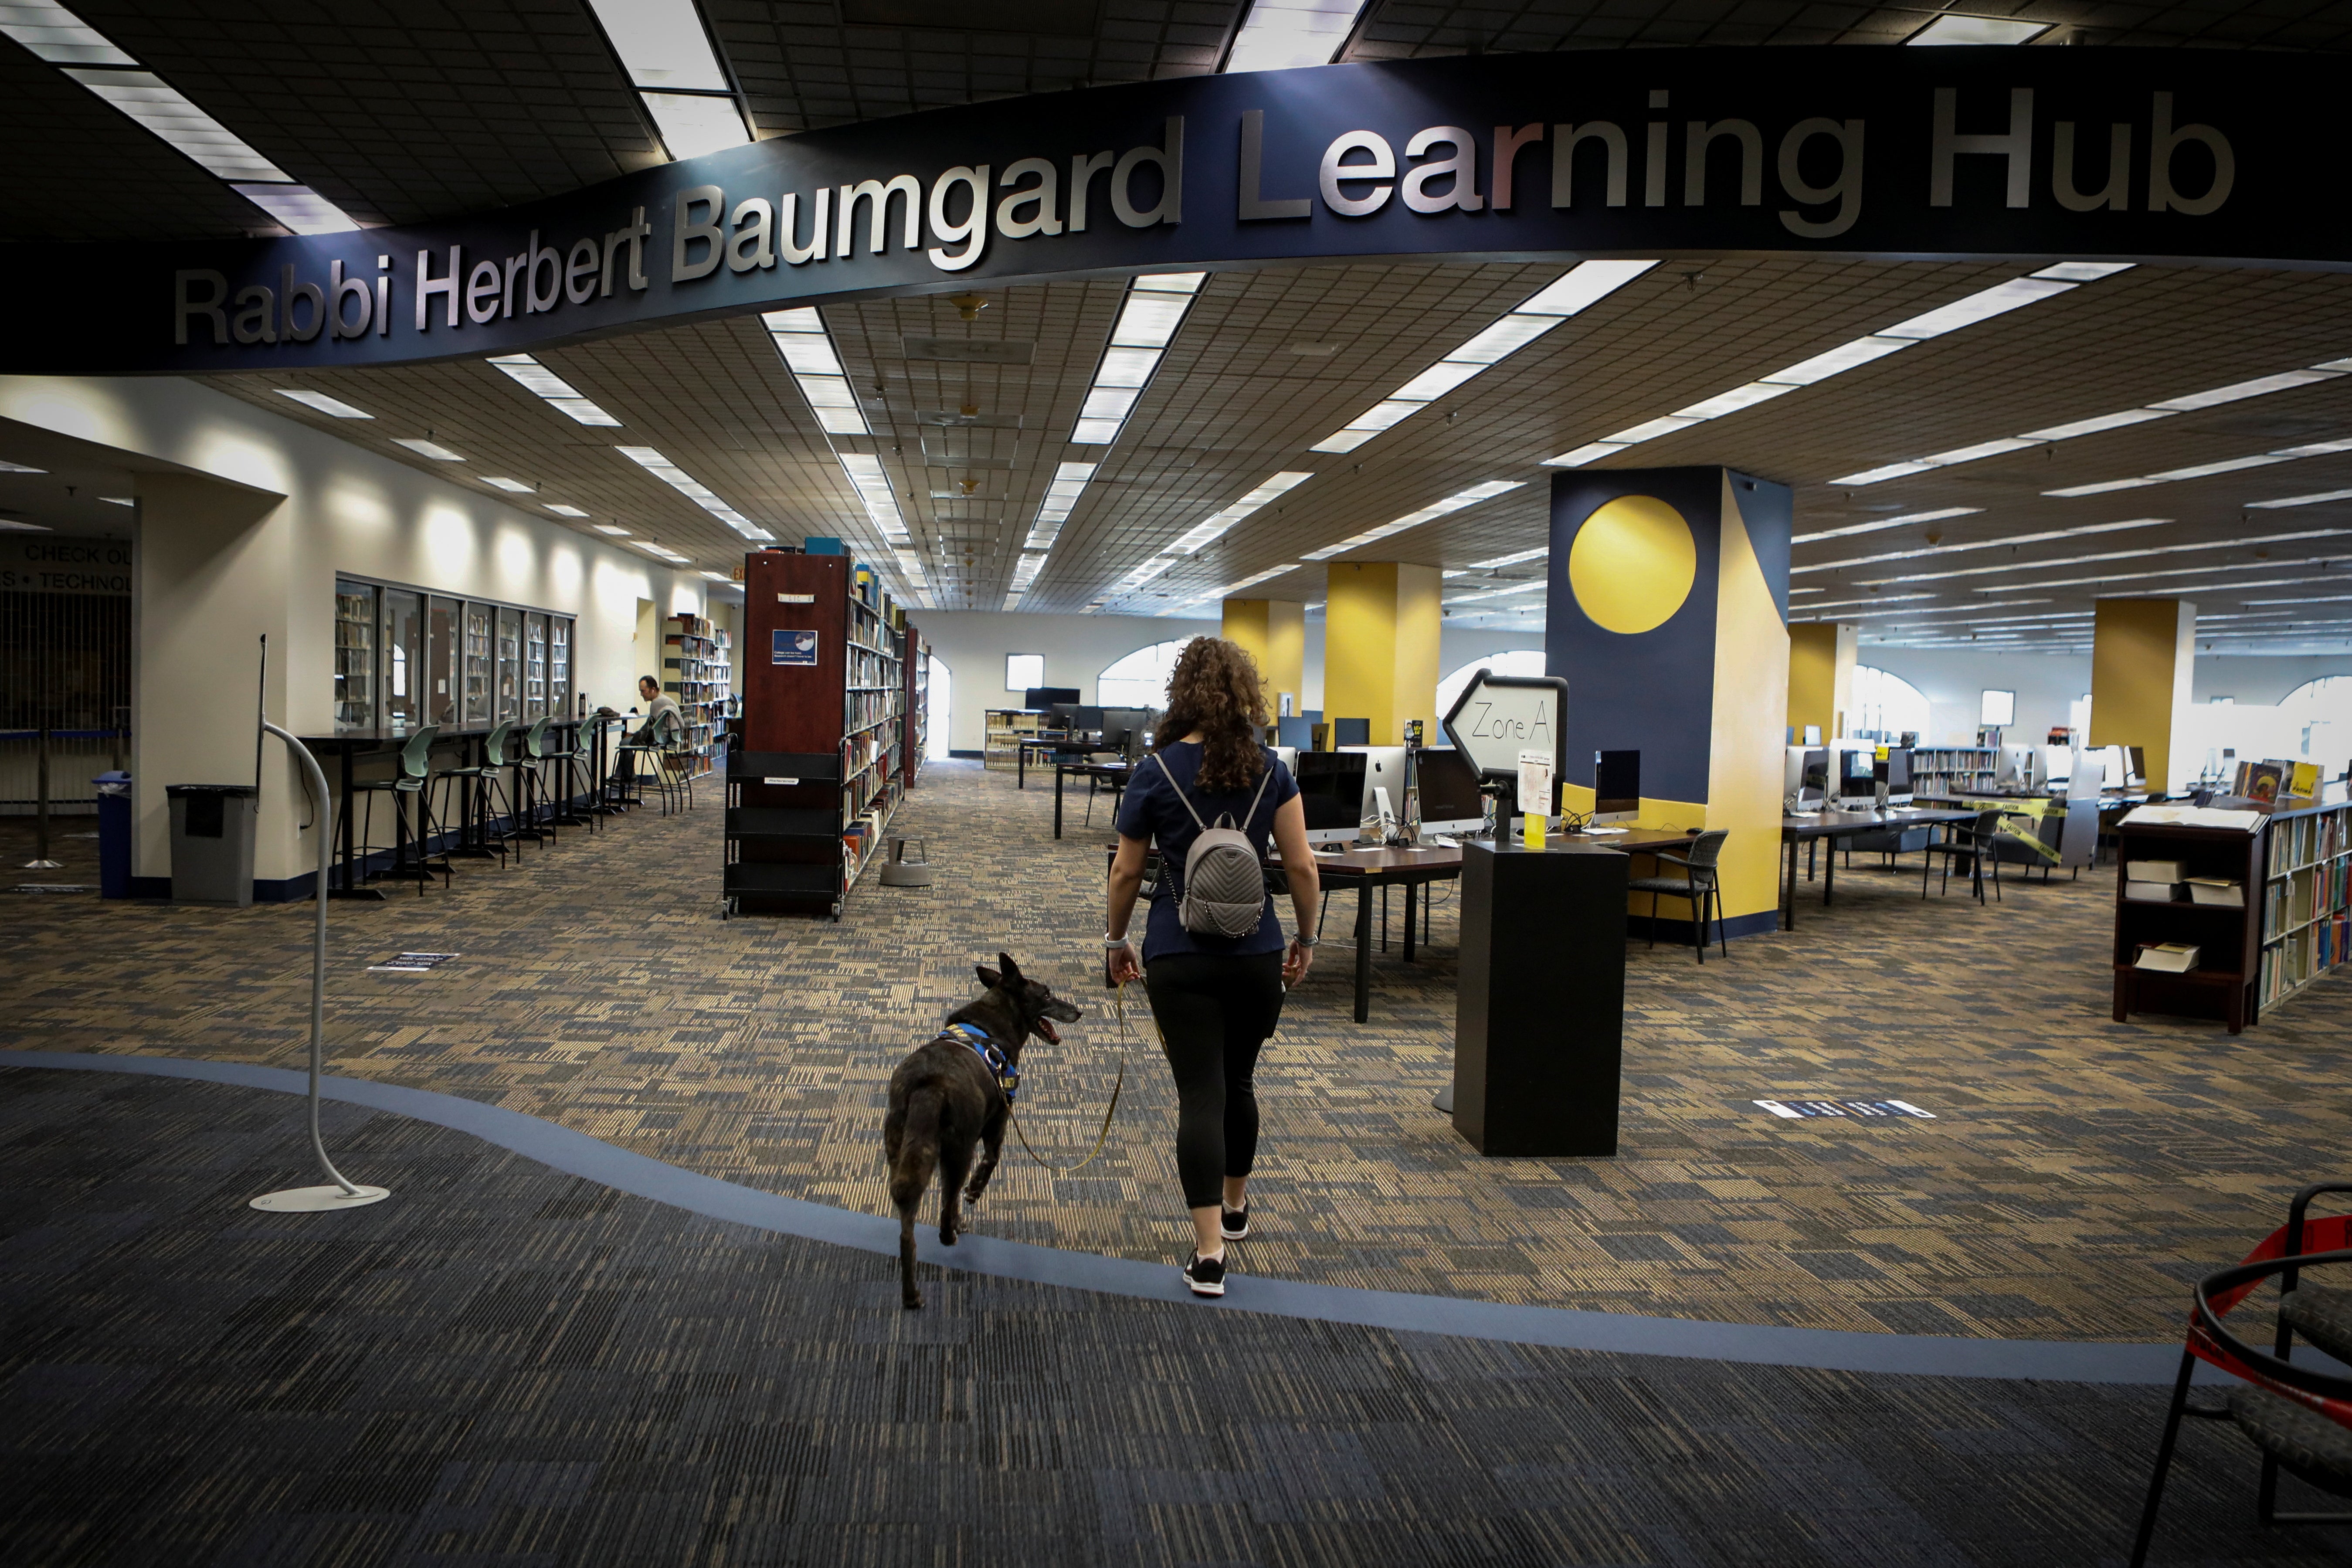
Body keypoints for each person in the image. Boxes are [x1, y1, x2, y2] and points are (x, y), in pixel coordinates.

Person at [1105, 638, 1320, 1298]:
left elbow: (1126, 870)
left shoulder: (1155, 770)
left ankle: (1206, 1257)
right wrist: (1307, 939)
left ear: (1181, 693)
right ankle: (1234, 1208)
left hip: (1179, 953)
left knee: (1201, 1092)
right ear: (1244, 692)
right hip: (1257, 954)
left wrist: (1115, 938)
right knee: (1240, 1081)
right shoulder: (1271, 769)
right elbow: (1303, 866)